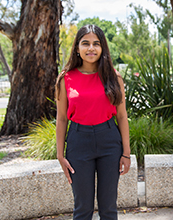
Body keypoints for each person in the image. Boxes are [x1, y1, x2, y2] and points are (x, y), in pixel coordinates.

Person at [55, 24, 131, 220]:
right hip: (78, 142)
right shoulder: (66, 79)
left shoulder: (114, 77)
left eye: (96, 44)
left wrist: (126, 153)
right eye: (85, 43)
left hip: (109, 141)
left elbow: (122, 116)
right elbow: (62, 118)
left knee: (108, 208)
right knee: (82, 208)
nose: (91, 48)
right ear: (77, 48)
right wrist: (59, 154)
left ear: (103, 48)